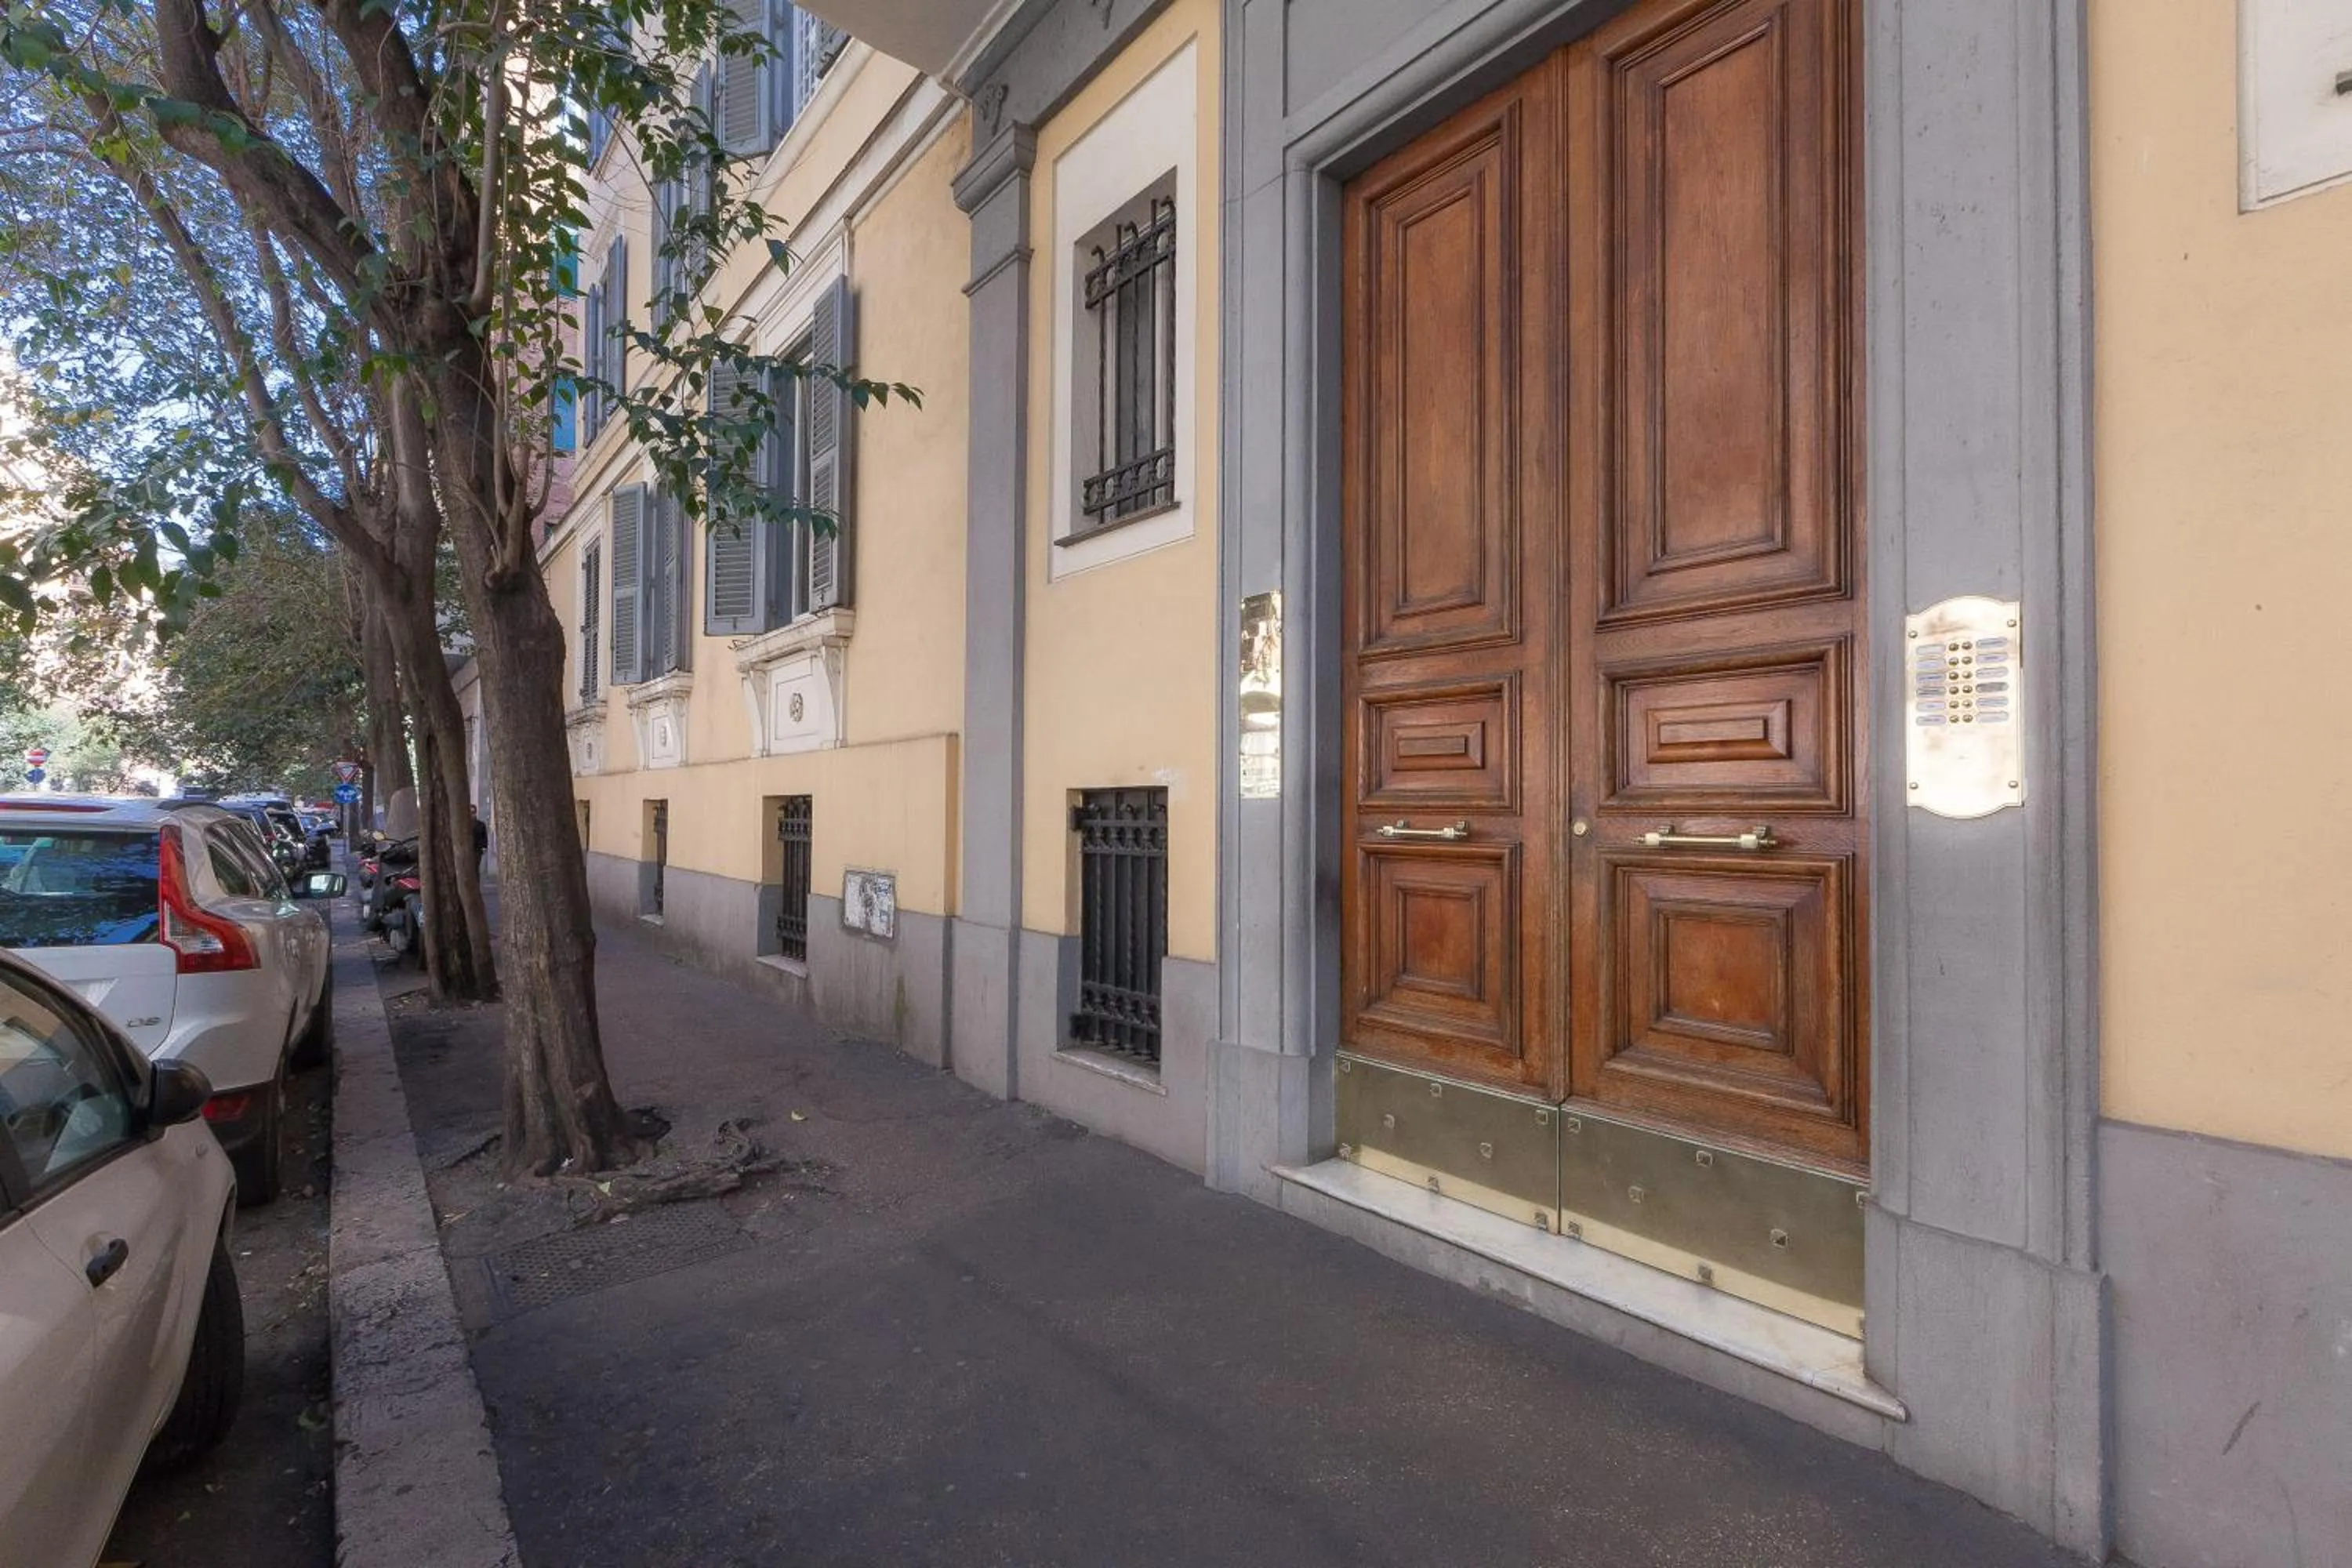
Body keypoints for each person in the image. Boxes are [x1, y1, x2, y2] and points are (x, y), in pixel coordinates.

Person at [470, 804, 488, 876]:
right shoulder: (466, 826)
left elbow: (484, 837)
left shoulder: (481, 825)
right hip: (468, 849)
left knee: (475, 868)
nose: (472, 815)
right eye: (471, 812)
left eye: (473, 812)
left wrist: (484, 848)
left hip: (477, 850)